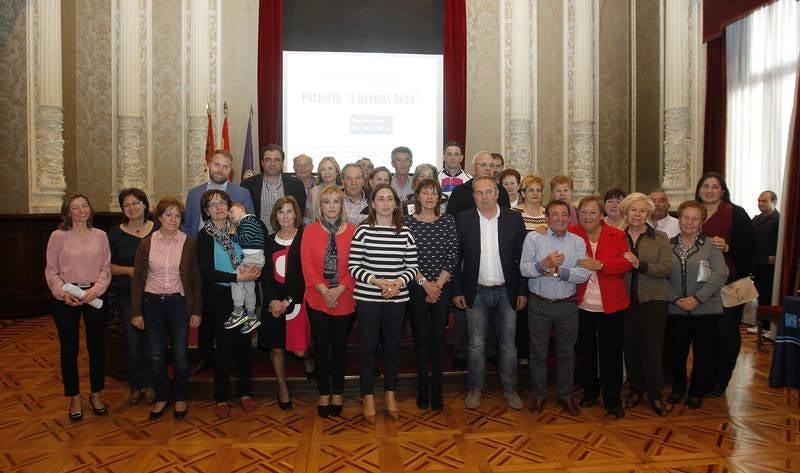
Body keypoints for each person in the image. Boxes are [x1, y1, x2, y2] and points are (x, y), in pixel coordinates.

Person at [452, 176, 528, 410]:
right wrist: (457, 291)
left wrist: (523, 290)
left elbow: (523, 258)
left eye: (488, 192)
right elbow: (456, 259)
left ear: (497, 194)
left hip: (507, 292)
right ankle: (475, 388)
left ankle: (510, 389)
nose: (484, 197)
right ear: (473, 196)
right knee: (476, 344)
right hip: (476, 291)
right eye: (479, 193)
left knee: (508, 345)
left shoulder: (514, 219)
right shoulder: (463, 220)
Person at [349, 184, 418, 422]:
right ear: (373, 204)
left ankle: (390, 394)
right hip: (369, 298)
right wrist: (377, 281)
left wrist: (398, 283)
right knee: (368, 349)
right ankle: (367, 395)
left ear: (396, 204)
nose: (386, 203)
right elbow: (354, 266)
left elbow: (412, 267)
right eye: (381, 198)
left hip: (397, 298)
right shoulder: (363, 230)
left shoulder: (405, 232)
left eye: (390, 199)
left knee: (392, 349)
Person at [182, 150, 254, 375]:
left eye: (225, 166)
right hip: (202, 260)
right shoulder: (194, 194)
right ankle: (205, 356)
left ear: (230, 169)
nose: (220, 169)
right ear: (208, 165)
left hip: (232, 265)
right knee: (204, 312)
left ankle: (231, 356)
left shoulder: (242, 192)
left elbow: (249, 226)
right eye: (216, 164)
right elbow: (189, 227)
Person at [131, 197, 202, 420]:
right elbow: (137, 280)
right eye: (168, 214)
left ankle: (180, 397)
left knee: (180, 355)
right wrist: (136, 312)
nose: (173, 219)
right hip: (152, 304)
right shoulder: (146, 243)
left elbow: (196, 280)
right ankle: (162, 396)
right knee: (156, 354)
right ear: (159, 217)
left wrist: (197, 311)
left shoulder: (189, 242)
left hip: (178, 304)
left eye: (177, 215)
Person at [520, 200, 591, 416]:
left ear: (569, 218)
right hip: (539, 304)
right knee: (538, 353)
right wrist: (544, 265)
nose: (559, 218)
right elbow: (524, 269)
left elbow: (584, 273)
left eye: (564, 215)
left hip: (567, 306)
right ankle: (539, 395)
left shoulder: (578, 242)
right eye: (554, 215)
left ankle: (565, 396)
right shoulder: (534, 238)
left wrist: (560, 272)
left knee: (566, 354)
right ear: (547, 218)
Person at [45, 194, 111, 421]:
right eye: (76, 207)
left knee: (96, 346)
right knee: (69, 348)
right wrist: (62, 292)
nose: (82, 210)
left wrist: (96, 290)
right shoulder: (58, 236)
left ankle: (96, 394)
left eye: (85, 205)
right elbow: (51, 270)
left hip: (94, 295)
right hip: (67, 295)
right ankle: (74, 396)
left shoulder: (100, 235)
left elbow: (106, 268)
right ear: (67, 212)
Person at [195, 190, 260, 419]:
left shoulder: (242, 229)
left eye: (222, 203)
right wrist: (236, 278)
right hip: (220, 297)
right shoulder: (204, 236)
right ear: (206, 211)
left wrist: (254, 270)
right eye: (212, 205)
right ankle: (221, 397)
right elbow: (207, 272)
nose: (219, 207)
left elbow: (254, 254)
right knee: (224, 348)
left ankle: (244, 392)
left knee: (244, 346)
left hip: (245, 292)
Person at [569, 197, 632, 419]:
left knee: (611, 354)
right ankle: (590, 392)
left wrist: (602, 265)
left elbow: (626, 263)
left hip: (611, 305)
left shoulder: (616, 234)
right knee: (585, 353)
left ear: (601, 214)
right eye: (584, 212)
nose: (588, 217)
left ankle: (612, 399)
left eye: (593, 212)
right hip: (582, 304)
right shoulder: (573, 232)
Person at [694, 172, 754, 396]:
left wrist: (729, 248)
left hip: (732, 284)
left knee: (726, 333)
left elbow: (751, 249)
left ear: (723, 191)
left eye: (715, 187)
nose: (709, 190)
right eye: (705, 186)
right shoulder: (692, 212)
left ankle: (722, 380)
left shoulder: (736, 213)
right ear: (699, 189)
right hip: (700, 286)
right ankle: (704, 379)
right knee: (705, 335)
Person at [301, 186, 357, 418]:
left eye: (336, 201)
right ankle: (324, 392)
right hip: (317, 298)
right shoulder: (310, 231)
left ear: (342, 205)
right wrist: (325, 291)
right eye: (327, 202)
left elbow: (358, 263)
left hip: (345, 297)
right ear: (320, 206)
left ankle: (338, 392)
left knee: (340, 348)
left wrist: (340, 288)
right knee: (321, 347)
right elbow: (306, 264)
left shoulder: (354, 231)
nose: (332, 206)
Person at [667, 201, 729, 409]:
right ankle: (678, 388)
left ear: (701, 222)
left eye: (695, 219)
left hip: (705, 309)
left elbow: (721, 273)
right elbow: (660, 276)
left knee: (704, 353)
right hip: (675, 309)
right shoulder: (667, 245)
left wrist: (697, 298)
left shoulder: (711, 245)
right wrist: (675, 298)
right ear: (679, 219)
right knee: (676, 352)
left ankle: (696, 391)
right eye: (686, 217)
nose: (689, 222)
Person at [404, 179, 458, 411]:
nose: (429, 197)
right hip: (417, 288)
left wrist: (437, 286)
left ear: (439, 197)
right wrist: (426, 284)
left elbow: (452, 255)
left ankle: (437, 390)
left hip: (442, 288)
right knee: (421, 339)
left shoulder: (448, 221)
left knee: (438, 338)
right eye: (424, 193)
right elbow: (405, 257)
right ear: (417, 196)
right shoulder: (407, 222)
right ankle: (422, 389)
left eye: (433, 193)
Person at [620, 192, 672, 416]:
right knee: (630, 349)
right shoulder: (616, 237)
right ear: (625, 212)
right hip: (624, 302)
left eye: (643, 211)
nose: (638, 215)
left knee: (653, 349)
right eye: (633, 210)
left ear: (649, 214)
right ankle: (635, 390)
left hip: (654, 301)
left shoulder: (660, 238)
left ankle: (655, 395)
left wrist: (640, 264)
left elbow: (665, 269)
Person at [262, 196, 313, 410]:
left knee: (300, 350)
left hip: (298, 299)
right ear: (275, 216)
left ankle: (309, 358)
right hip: (274, 301)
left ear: (296, 215)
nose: (285, 216)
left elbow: (305, 275)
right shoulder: (269, 241)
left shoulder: (305, 239)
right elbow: (266, 274)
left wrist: (288, 301)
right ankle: (282, 386)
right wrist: (274, 300)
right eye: (281, 211)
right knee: (277, 348)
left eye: (289, 211)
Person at [108, 188, 155, 405]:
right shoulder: (114, 234)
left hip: (156, 294)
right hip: (128, 294)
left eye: (136, 203)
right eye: (126, 205)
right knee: (134, 341)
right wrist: (129, 270)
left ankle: (152, 384)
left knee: (154, 341)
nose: (132, 207)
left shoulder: (158, 229)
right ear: (122, 209)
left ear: (145, 205)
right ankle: (136, 386)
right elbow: (107, 267)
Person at [241, 143, 307, 234]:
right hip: (259, 240)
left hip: (288, 239)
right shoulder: (248, 185)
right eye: (268, 160)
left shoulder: (296, 184)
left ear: (282, 163)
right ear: (262, 163)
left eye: (276, 160)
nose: (272, 163)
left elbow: (300, 214)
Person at [223, 202, 266, 334]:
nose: (229, 215)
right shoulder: (249, 221)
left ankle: (238, 311)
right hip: (254, 258)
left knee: (236, 279)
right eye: (228, 213)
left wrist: (232, 235)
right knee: (249, 287)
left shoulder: (247, 220)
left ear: (242, 209)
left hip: (252, 259)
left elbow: (245, 238)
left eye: (232, 211)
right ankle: (251, 316)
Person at [446, 151, 511, 217]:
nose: (488, 169)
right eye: (483, 165)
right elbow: (450, 220)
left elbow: (507, 219)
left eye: (491, 165)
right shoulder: (460, 192)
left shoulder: (501, 191)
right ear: (474, 168)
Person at [752, 191, 779, 306]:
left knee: (767, 297)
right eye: (759, 201)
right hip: (756, 263)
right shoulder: (756, 219)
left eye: (764, 201)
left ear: (774, 202)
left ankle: (767, 324)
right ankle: (761, 322)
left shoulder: (779, 220)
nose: (760, 203)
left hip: (769, 266)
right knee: (758, 296)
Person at [305, 156, 342, 224]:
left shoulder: (343, 191)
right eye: (323, 169)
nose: (327, 172)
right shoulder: (312, 192)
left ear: (337, 172)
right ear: (320, 173)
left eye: (330, 168)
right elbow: (306, 219)